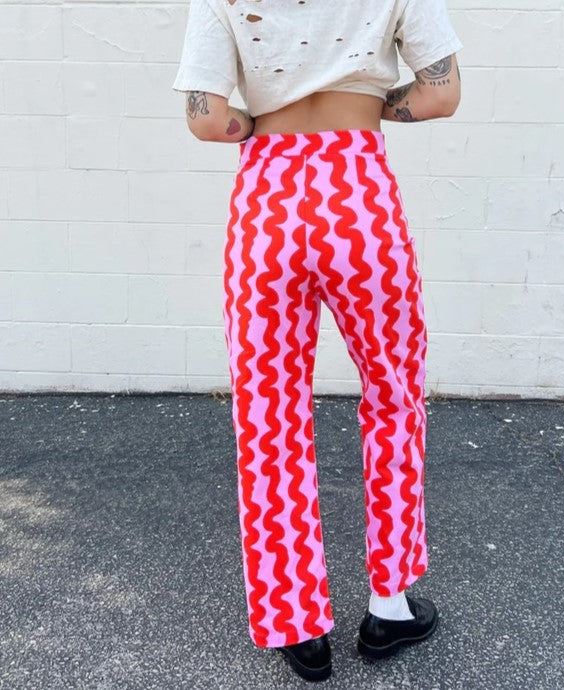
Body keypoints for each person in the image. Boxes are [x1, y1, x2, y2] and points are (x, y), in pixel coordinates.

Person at [172, 0, 463, 682]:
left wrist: (262, 121)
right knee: (393, 394)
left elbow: (207, 118)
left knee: (270, 413)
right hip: (358, 194)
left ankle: (295, 622)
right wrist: (367, 109)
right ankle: (389, 605)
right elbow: (440, 93)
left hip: (269, 200)